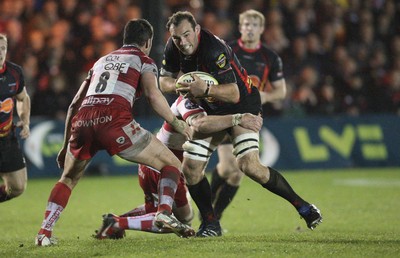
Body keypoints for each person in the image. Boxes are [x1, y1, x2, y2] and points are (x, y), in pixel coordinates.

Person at [159, 11, 322, 237]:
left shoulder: (214, 50)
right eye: (177, 38)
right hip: (208, 107)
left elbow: (234, 94)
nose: (182, 42)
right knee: (191, 168)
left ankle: (303, 206)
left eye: (186, 35)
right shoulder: (173, 45)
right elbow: (162, 80)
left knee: (249, 167)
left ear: (196, 30)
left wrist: (204, 89)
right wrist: (179, 83)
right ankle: (210, 223)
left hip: (241, 105)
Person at [35, 19, 196, 247]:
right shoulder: (143, 60)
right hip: (114, 121)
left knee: (69, 178)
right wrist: (175, 122)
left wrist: (64, 146)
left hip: (83, 121)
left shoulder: (101, 61)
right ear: (148, 42)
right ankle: (163, 212)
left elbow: (73, 105)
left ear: (124, 39)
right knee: (171, 164)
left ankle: (44, 233)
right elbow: (153, 95)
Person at [94, 95, 263, 239]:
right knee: (183, 218)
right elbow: (199, 124)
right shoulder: (187, 102)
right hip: (165, 166)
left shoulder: (200, 104)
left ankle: (115, 221)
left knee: (153, 209)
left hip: (154, 163)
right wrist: (238, 119)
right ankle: (118, 223)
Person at [210, 9, 287, 221]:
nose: (250, 29)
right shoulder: (228, 50)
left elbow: (281, 91)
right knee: (228, 168)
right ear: (240, 27)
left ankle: (214, 217)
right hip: (227, 112)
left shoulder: (270, 57)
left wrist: (264, 96)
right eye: (246, 25)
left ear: (261, 29)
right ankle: (205, 203)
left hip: (251, 115)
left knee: (238, 172)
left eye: (254, 25)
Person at [0, 33, 31, 203]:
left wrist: (25, 121)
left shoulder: (14, 72)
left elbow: (23, 98)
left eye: (3, 48)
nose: (0, 52)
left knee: (18, 187)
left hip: (6, 137)